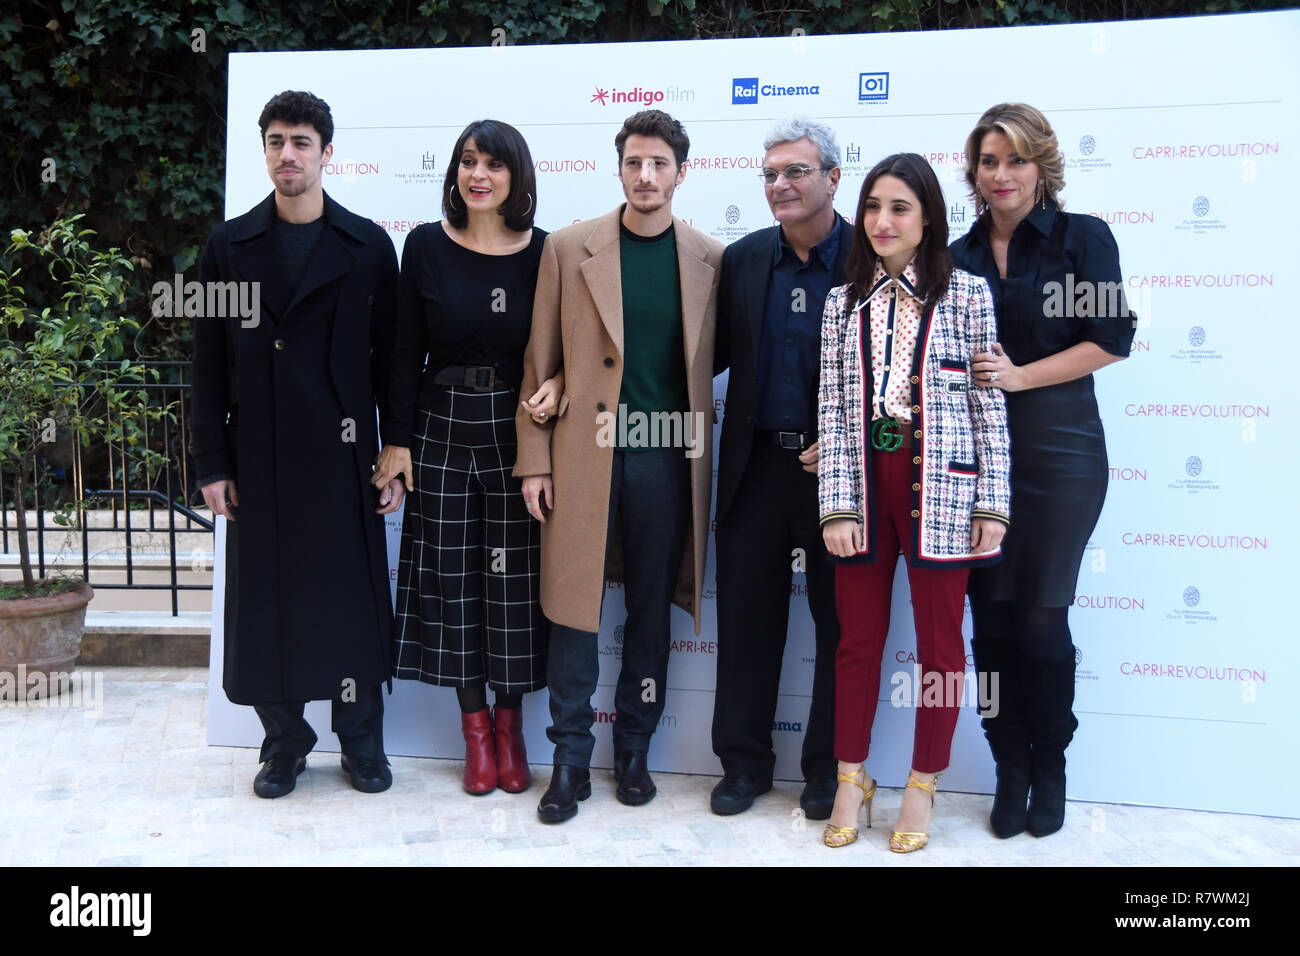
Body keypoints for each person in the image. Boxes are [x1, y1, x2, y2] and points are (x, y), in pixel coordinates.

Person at [515, 109, 724, 824]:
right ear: (619, 167)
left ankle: (633, 752)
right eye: (635, 162)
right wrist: (534, 461)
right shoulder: (568, 249)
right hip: (580, 460)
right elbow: (538, 366)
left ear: (681, 172)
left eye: (660, 164)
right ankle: (569, 761)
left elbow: (708, 364)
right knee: (574, 612)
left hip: (664, 461)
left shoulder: (708, 259)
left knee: (649, 617)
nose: (646, 176)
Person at [191, 90, 402, 798]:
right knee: (265, 603)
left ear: (327, 153)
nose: (289, 154)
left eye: (302, 142)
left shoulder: (369, 245)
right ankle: (284, 742)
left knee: (349, 601)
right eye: (277, 140)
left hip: (345, 460)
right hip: (257, 459)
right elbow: (206, 362)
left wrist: (396, 451)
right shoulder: (226, 247)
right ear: (265, 150)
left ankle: (362, 741)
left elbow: (396, 362)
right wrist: (211, 463)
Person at [949, 103, 1133, 838]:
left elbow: (1112, 339)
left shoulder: (1081, 239)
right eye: (988, 161)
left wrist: (1023, 378)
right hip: (973, 461)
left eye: (1015, 160)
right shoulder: (954, 256)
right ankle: (1008, 768)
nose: (1001, 175)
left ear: (1042, 166)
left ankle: (1050, 764)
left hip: (1060, 453)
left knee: (1041, 617)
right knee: (987, 622)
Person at [818, 153, 1011, 852]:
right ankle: (852, 777)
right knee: (856, 642)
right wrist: (836, 506)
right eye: (872, 207)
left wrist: (993, 502)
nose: (882, 221)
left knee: (940, 649)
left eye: (899, 207)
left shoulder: (966, 294)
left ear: (928, 216)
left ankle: (924, 783)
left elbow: (989, 407)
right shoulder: (842, 304)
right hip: (865, 479)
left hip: (944, 488)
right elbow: (835, 413)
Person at [371, 120, 562, 797]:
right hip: (439, 426)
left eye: (494, 164)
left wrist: (562, 381)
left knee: (510, 587)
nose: (479, 174)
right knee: (451, 579)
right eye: (468, 161)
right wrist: (395, 442)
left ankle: (511, 731)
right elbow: (401, 352)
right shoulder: (423, 246)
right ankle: (475, 731)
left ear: (518, 177)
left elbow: (564, 344)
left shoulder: (545, 251)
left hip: (518, 431)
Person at [709, 117, 852, 819]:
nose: (779, 185)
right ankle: (743, 766)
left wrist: (851, 435)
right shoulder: (743, 259)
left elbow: (908, 372)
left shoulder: (874, 259)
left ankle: (827, 769)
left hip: (841, 476)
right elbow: (700, 360)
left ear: (832, 176)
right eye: (769, 174)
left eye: (795, 171)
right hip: (754, 468)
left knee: (841, 626)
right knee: (744, 622)